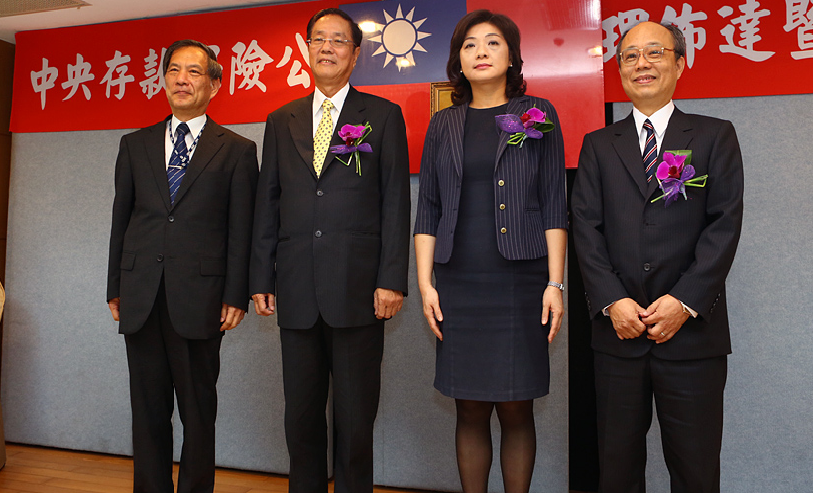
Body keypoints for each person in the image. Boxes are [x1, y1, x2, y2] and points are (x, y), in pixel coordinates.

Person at [571, 21, 744, 493]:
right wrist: (612, 301)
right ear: (620, 69)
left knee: (696, 469)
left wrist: (683, 301)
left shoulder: (714, 136)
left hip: (691, 336)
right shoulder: (598, 145)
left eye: (654, 53)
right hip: (618, 334)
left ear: (680, 63)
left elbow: (724, 225)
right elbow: (585, 228)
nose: (641, 64)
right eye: (630, 56)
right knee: (617, 468)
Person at [249, 8, 410, 493]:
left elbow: (395, 204)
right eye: (318, 39)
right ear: (306, 48)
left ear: (355, 54)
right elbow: (268, 202)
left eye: (338, 40)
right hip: (296, 288)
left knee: (356, 419)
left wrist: (391, 278)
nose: (327, 48)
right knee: (299, 418)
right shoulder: (282, 119)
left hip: (360, 290)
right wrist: (261, 278)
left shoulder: (382, 116)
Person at [414, 10, 567, 492]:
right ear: (458, 59)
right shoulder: (442, 124)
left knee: (518, 406)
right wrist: (425, 285)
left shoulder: (536, 114)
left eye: (492, 43)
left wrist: (555, 283)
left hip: (521, 282)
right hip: (459, 281)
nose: (480, 51)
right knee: (470, 406)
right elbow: (429, 210)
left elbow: (554, 205)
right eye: (469, 44)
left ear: (511, 56)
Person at [107, 39, 259, 493]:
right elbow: (122, 219)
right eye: (174, 70)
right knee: (148, 412)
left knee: (198, 413)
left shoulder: (236, 149)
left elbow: (241, 230)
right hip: (141, 296)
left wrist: (236, 294)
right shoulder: (135, 144)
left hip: (201, 299)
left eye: (194, 72)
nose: (181, 80)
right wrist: (115, 284)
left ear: (215, 84)